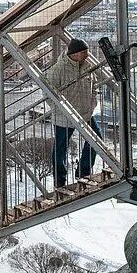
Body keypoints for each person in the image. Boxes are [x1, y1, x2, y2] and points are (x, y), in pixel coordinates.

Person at [45, 38, 101, 187]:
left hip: (85, 112)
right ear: (74, 53)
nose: (87, 55)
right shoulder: (58, 69)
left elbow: (94, 85)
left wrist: (92, 102)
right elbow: (48, 93)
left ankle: (83, 171)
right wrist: (61, 109)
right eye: (84, 52)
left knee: (96, 140)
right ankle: (60, 179)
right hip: (65, 115)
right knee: (61, 147)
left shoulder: (87, 66)